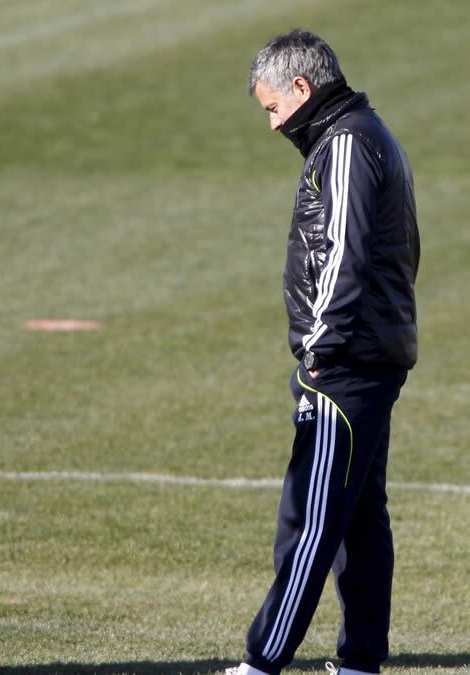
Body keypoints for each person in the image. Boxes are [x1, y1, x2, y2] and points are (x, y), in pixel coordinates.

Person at [225, 30, 420, 675]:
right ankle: (362, 661)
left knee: (311, 519)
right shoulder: (370, 133)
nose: (273, 124)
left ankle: (262, 661)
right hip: (372, 358)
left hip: (344, 367)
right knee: (361, 519)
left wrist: (318, 351)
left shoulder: (344, 145)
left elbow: (344, 255)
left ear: (303, 90)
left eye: (273, 109)